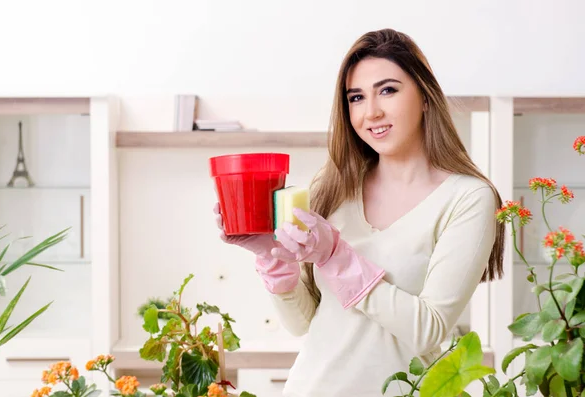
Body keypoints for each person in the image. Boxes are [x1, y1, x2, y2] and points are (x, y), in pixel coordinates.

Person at [214, 28, 505, 397]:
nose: (372, 112)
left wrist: (335, 255)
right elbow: (302, 322)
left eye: (388, 90)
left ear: (426, 97)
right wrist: (272, 256)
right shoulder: (332, 186)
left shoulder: (467, 199)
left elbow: (428, 329)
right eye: (356, 97)